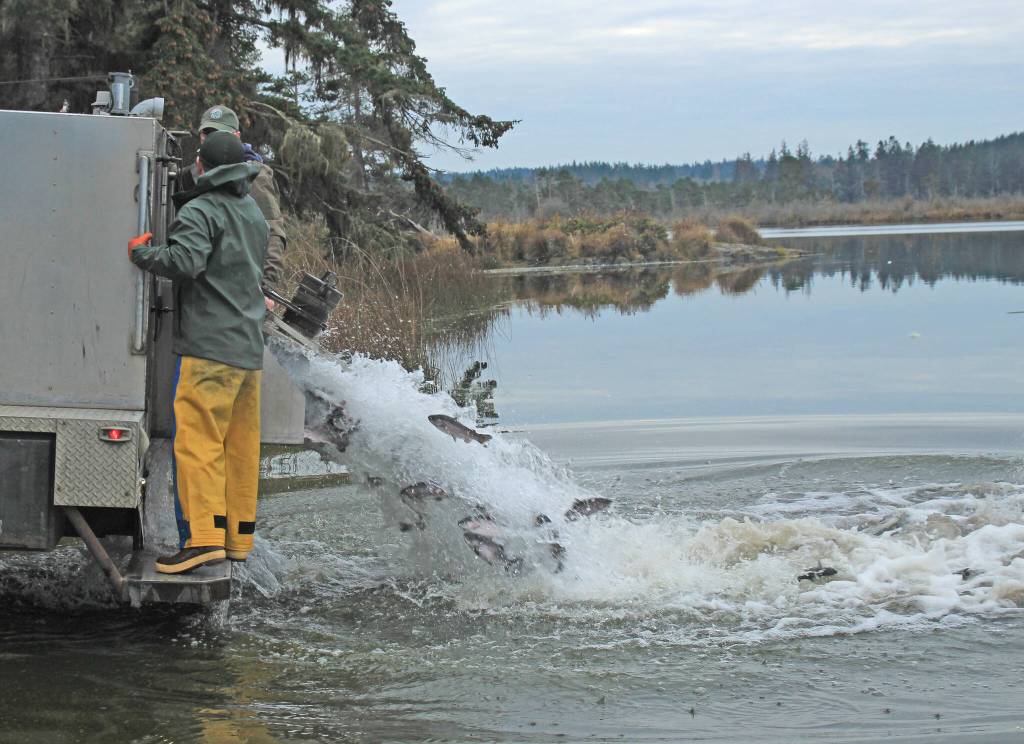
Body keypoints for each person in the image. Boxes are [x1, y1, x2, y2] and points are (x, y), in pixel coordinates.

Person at [129, 131, 270, 574]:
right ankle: (235, 540)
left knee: (198, 443)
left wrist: (144, 254)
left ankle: (204, 539)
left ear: (203, 167)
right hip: (248, 353)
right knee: (239, 448)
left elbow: (185, 263)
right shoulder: (252, 212)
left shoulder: (201, 210)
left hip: (210, 350)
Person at [178, 104, 287, 295]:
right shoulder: (192, 174)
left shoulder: (254, 177)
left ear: (236, 136)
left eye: (221, 133)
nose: (213, 139)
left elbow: (273, 234)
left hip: (241, 291)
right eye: (208, 133)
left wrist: (266, 289)